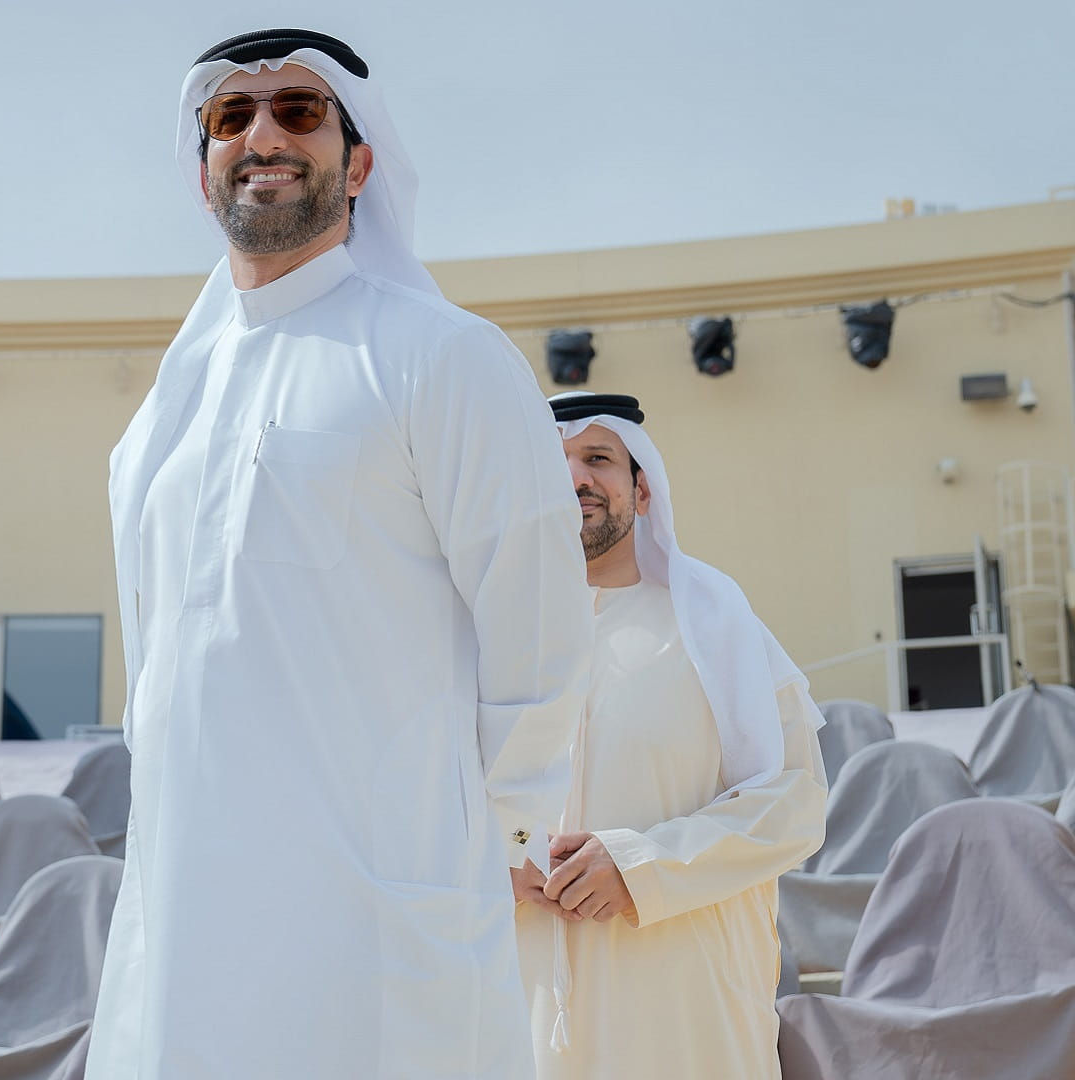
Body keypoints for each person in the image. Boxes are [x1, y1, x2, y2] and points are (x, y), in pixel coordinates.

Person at [91, 29, 592, 1080]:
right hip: (189, 922)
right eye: (234, 117)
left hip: (374, 921)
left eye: (299, 111)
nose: (263, 134)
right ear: (203, 170)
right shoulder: (165, 413)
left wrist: (477, 848)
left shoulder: (440, 356)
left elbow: (538, 636)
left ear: (358, 163)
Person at [513, 392, 827, 1079]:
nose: (575, 479)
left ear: (643, 488)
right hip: (526, 1017)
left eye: (598, 459)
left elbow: (796, 801)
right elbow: (440, 799)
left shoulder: (717, 624)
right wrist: (507, 857)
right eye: (554, 462)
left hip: (687, 1015)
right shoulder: (495, 639)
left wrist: (641, 866)